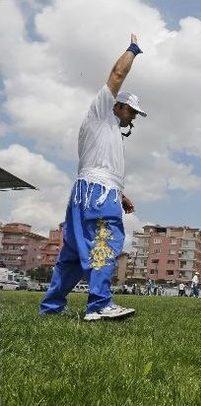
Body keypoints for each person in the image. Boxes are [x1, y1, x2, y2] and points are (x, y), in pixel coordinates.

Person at [39, 34, 146, 321]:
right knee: (106, 239)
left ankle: (51, 308)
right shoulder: (101, 113)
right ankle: (99, 304)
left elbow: (100, 164)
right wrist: (134, 49)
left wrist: (120, 194)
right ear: (118, 106)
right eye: (132, 111)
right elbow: (117, 74)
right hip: (97, 193)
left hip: (88, 192)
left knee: (72, 255)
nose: (133, 117)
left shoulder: (108, 133)